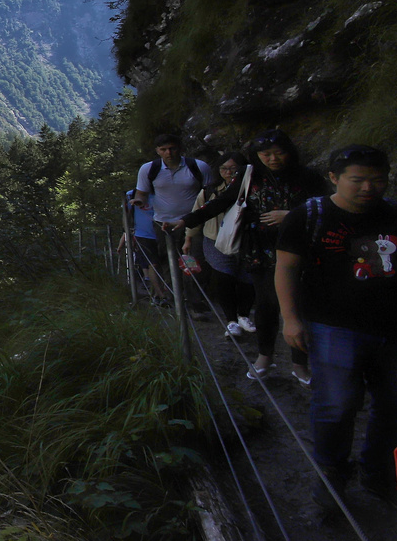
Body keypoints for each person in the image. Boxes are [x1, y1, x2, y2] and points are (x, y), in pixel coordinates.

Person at [276, 144, 397, 513]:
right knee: (336, 405)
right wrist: (291, 318)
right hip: (333, 326)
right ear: (334, 178)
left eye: (378, 179)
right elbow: (285, 268)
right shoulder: (309, 216)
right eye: (358, 180)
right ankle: (332, 474)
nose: (369, 187)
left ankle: (378, 471)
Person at [183, 130, 325, 382]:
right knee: (266, 304)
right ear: (256, 156)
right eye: (265, 154)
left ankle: (300, 363)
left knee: (299, 306)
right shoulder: (250, 176)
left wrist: (290, 214)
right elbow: (222, 201)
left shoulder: (308, 177)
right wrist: (187, 220)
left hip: (300, 247)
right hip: (259, 247)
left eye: (279, 153)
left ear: (290, 151)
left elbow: (324, 207)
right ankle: (265, 357)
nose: (272, 159)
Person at [137, 134, 212, 311]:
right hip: (163, 224)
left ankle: (195, 304)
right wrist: (139, 202)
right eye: (163, 149)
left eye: (172, 148)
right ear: (157, 151)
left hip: (193, 224)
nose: (168, 153)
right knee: (167, 261)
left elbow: (211, 194)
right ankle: (174, 299)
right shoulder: (149, 169)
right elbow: (142, 192)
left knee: (194, 262)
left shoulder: (198, 167)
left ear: (180, 148)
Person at [184, 151, 254, 328]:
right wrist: (188, 239)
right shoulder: (209, 191)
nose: (229, 173)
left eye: (233, 169)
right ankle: (231, 320)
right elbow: (198, 214)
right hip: (214, 240)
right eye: (224, 169)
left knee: (247, 278)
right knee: (224, 278)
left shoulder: (252, 189)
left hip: (246, 239)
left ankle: (244, 315)